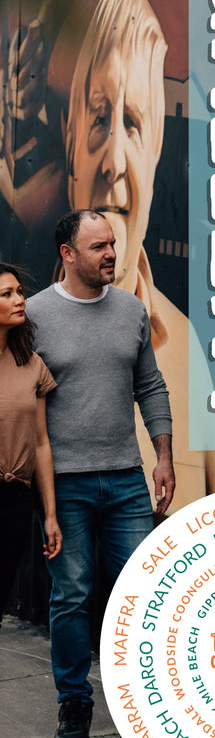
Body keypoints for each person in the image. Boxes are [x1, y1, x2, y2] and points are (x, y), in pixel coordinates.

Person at [64, 0, 215, 507]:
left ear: (155, 157)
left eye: (132, 125)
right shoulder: (26, 333)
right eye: (99, 118)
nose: (113, 160)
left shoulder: (187, 354)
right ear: (69, 139)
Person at [27, 208, 174, 738]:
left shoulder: (132, 309)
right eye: (98, 247)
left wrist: (163, 456)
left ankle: (148, 708)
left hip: (126, 478)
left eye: (112, 243)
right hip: (64, 484)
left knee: (143, 596)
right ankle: (75, 704)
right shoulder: (34, 315)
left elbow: (150, 386)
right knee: (71, 597)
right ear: (68, 254)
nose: (111, 253)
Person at [0, 263, 62, 622]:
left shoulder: (32, 364)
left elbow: (40, 443)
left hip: (15, 500)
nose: (20, 299)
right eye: (7, 294)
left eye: (20, 291)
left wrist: (50, 515)